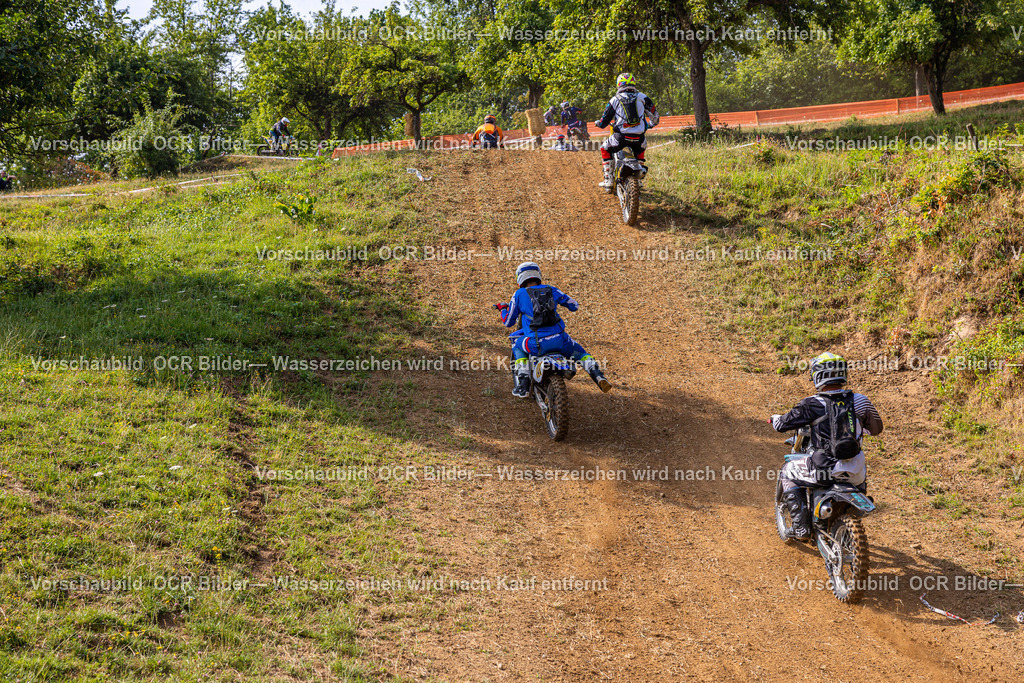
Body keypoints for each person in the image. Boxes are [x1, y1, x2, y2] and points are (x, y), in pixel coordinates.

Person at [769, 353, 884, 540]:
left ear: (818, 375)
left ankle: (800, 528)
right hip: (856, 473)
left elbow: (781, 425)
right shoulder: (861, 401)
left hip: (823, 471)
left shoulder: (811, 404)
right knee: (859, 465)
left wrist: (774, 419)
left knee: (788, 471)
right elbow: (876, 429)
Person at [495, 262, 611, 398]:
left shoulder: (519, 294)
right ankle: (598, 375)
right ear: (538, 275)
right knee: (581, 354)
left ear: (520, 278)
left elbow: (508, 322)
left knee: (516, 343)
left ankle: (524, 384)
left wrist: (503, 309)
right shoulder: (551, 289)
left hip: (535, 344)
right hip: (561, 341)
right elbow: (574, 305)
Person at [593, 73, 659, 189]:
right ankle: (638, 179)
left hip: (620, 138)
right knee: (640, 151)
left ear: (619, 84)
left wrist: (599, 123)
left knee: (604, 148)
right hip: (639, 139)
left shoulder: (615, 99)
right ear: (633, 83)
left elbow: (604, 121)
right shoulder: (643, 97)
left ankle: (608, 179)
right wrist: (650, 125)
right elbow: (655, 117)